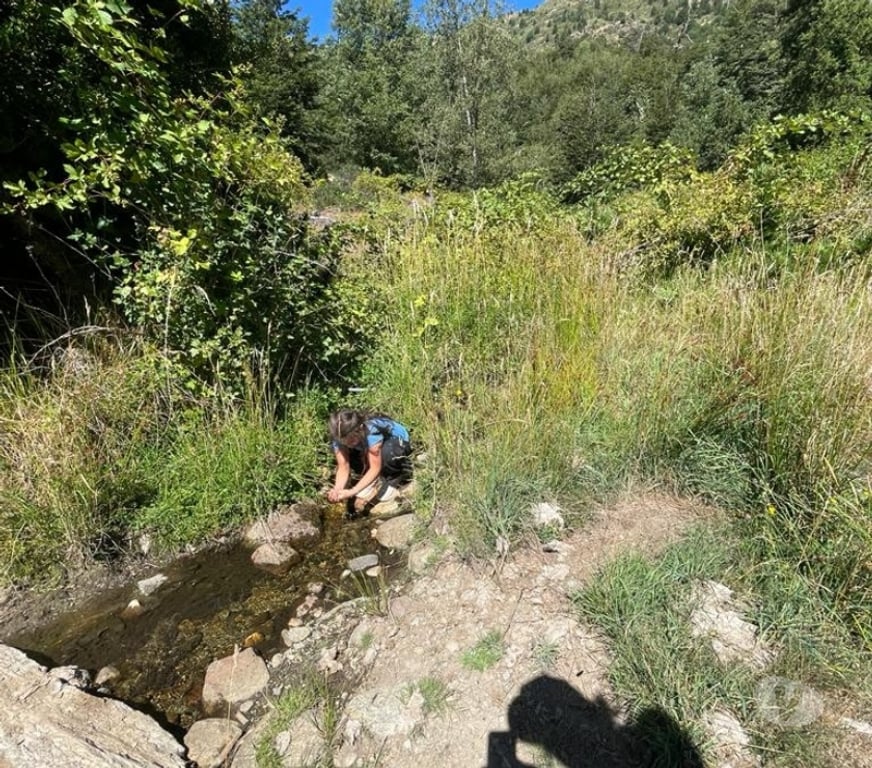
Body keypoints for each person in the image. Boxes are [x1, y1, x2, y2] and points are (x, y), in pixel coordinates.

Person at [326, 409, 413, 514]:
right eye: (343, 440)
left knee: (387, 454)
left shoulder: (372, 430)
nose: (347, 442)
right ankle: (375, 478)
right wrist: (337, 489)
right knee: (352, 457)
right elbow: (343, 466)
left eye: (351, 438)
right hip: (368, 447)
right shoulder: (338, 436)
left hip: (396, 444)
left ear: (360, 428)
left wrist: (352, 491)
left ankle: (395, 476)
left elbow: (375, 468)